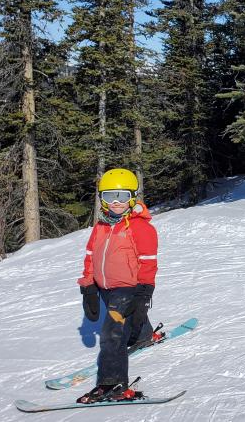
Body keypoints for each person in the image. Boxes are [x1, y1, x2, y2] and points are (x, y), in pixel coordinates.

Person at [75, 168, 159, 403]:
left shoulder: (141, 227)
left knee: (112, 333)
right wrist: (88, 285)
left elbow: (148, 262)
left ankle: (112, 384)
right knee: (126, 321)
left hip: (128, 287)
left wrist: (143, 294)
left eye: (122, 197)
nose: (115, 202)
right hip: (104, 287)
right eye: (109, 196)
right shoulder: (101, 226)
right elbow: (91, 255)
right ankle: (142, 334)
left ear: (132, 197)